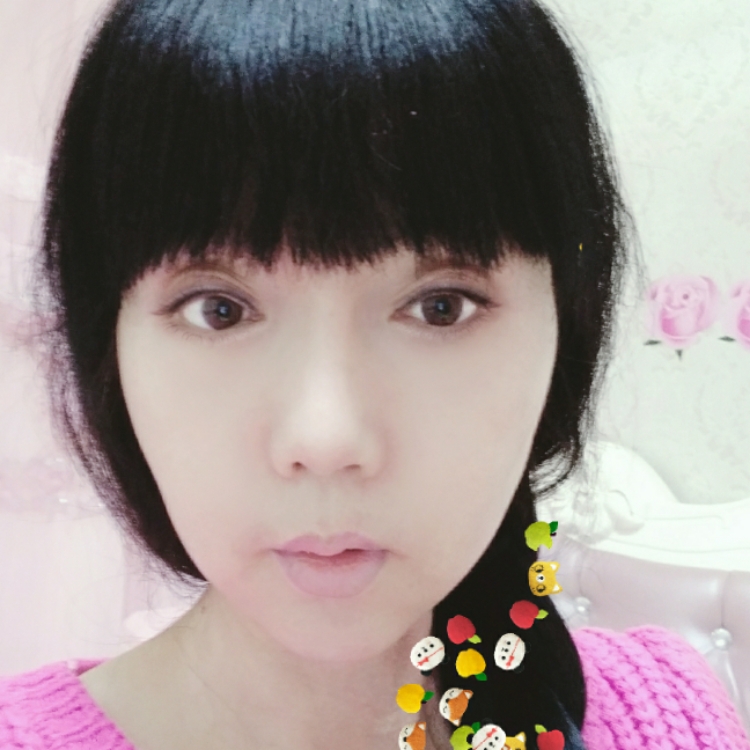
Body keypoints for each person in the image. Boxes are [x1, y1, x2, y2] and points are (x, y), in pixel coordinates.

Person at [1, 0, 748, 749]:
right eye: (219, 311)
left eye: (441, 307)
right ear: (108, 347)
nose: (327, 440)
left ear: (567, 331)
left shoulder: (665, 715)